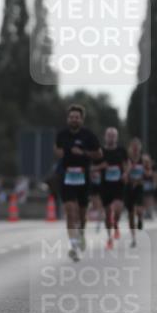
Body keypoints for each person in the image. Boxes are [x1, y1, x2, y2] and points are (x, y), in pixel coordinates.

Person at [54, 105, 102, 261]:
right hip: (67, 177)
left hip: (83, 178)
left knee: (81, 214)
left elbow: (99, 154)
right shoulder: (62, 135)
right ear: (67, 119)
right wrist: (65, 152)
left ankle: (81, 233)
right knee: (70, 211)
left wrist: (83, 153)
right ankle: (73, 246)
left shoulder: (88, 135)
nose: (74, 119)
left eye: (77, 117)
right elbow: (58, 151)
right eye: (71, 117)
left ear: (82, 119)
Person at [96, 127, 128, 250]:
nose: (111, 138)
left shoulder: (121, 151)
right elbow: (92, 167)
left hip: (118, 185)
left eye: (113, 136)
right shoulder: (100, 152)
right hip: (105, 186)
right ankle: (109, 238)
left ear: (117, 138)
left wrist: (125, 173)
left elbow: (127, 164)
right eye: (109, 135)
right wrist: (101, 167)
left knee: (117, 210)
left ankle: (116, 224)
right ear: (105, 137)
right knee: (108, 213)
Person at [125, 137, 145, 246]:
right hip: (129, 187)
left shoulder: (144, 159)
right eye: (133, 147)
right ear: (130, 148)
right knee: (131, 214)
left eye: (137, 147)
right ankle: (133, 238)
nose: (135, 150)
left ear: (140, 148)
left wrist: (139, 180)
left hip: (139, 187)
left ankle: (140, 219)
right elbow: (124, 174)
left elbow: (149, 173)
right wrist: (129, 168)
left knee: (139, 209)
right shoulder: (127, 159)